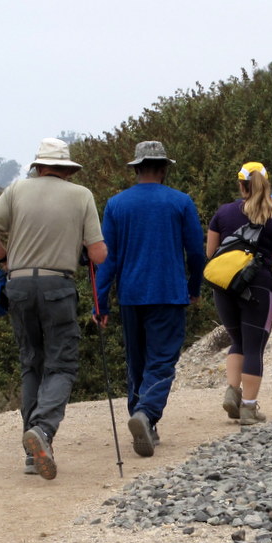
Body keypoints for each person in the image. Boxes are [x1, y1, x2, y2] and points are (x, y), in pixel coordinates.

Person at [0, 138, 107, 480]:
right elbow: (98, 255)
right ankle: (43, 430)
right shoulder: (81, 195)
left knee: (31, 362)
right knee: (62, 364)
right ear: (67, 169)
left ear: (39, 166)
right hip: (57, 286)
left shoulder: (17, 190)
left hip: (17, 284)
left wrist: (5, 259)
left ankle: (32, 455)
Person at [94, 141, 205, 458]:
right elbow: (196, 252)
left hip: (131, 294)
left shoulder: (116, 204)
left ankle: (144, 420)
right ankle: (146, 414)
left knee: (137, 361)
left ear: (137, 168)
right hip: (169, 292)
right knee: (162, 360)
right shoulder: (180, 201)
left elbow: (107, 259)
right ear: (164, 168)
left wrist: (100, 303)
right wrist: (194, 287)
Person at [207, 162, 272, 425]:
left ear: (241, 185)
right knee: (254, 347)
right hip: (258, 287)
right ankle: (249, 408)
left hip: (224, 287)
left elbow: (210, 253)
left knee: (238, 341)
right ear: (266, 184)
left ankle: (233, 392)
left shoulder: (223, 213)